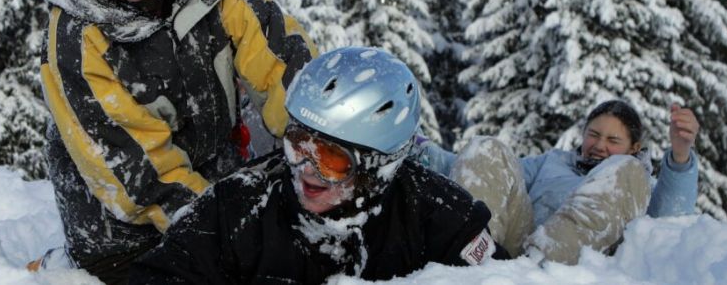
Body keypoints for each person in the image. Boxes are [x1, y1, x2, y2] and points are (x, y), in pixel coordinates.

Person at [36, 0, 315, 284]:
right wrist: (237, 230)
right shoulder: (75, 41)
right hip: (127, 235)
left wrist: (324, 145)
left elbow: (278, 61)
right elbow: (142, 179)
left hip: (216, 175)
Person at [130, 47, 509, 284]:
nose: (306, 169)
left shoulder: (437, 214)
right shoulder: (240, 204)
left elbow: (503, 278)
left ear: (379, 168)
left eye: (332, 159)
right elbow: (160, 275)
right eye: (298, 143)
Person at [419, 99, 699, 264]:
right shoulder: (553, 162)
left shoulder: (633, 183)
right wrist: (420, 148)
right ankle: (468, 256)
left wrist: (680, 154)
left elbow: (671, 220)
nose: (599, 145)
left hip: (563, 271)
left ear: (634, 147)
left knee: (627, 169)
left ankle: (537, 270)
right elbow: (489, 173)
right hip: (509, 257)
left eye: (613, 140)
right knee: (486, 148)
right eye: (593, 135)